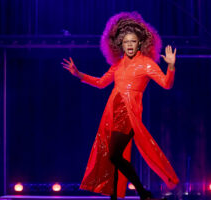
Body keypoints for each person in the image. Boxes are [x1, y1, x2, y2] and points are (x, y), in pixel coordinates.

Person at [62, 12, 179, 200]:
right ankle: (116, 196)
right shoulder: (117, 65)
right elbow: (101, 83)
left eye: (133, 41)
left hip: (129, 114)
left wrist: (171, 67)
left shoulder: (146, 64)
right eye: (126, 42)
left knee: (115, 155)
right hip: (112, 113)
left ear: (140, 43)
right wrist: (79, 74)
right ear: (120, 45)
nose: (130, 45)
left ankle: (143, 192)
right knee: (113, 158)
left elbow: (166, 84)